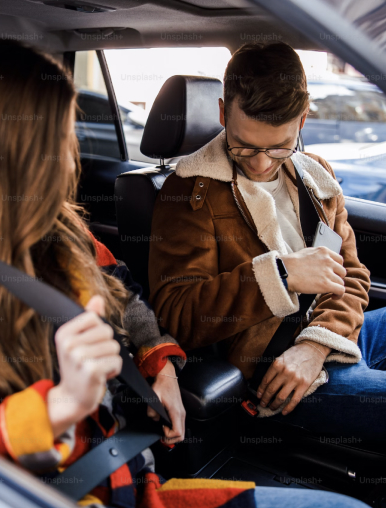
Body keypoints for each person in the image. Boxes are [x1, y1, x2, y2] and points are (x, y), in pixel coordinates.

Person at [0, 39, 385, 508]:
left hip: (136, 480)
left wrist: (160, 362)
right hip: (68, 507)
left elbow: (127, 294)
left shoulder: (61, 230)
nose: (71, 159)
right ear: (1, 150)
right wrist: (57, 407)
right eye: (58, 140)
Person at [149, 41, 386, 439]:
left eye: (278, 147)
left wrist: (316, 345)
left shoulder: (316, 177)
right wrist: (281, 275)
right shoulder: (189, 193)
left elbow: (352, 275)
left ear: (303, 120)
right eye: (244, 145)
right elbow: (178, 315)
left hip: (325, 340)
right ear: (224, 113)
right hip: (270, 371)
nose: (260, 163)